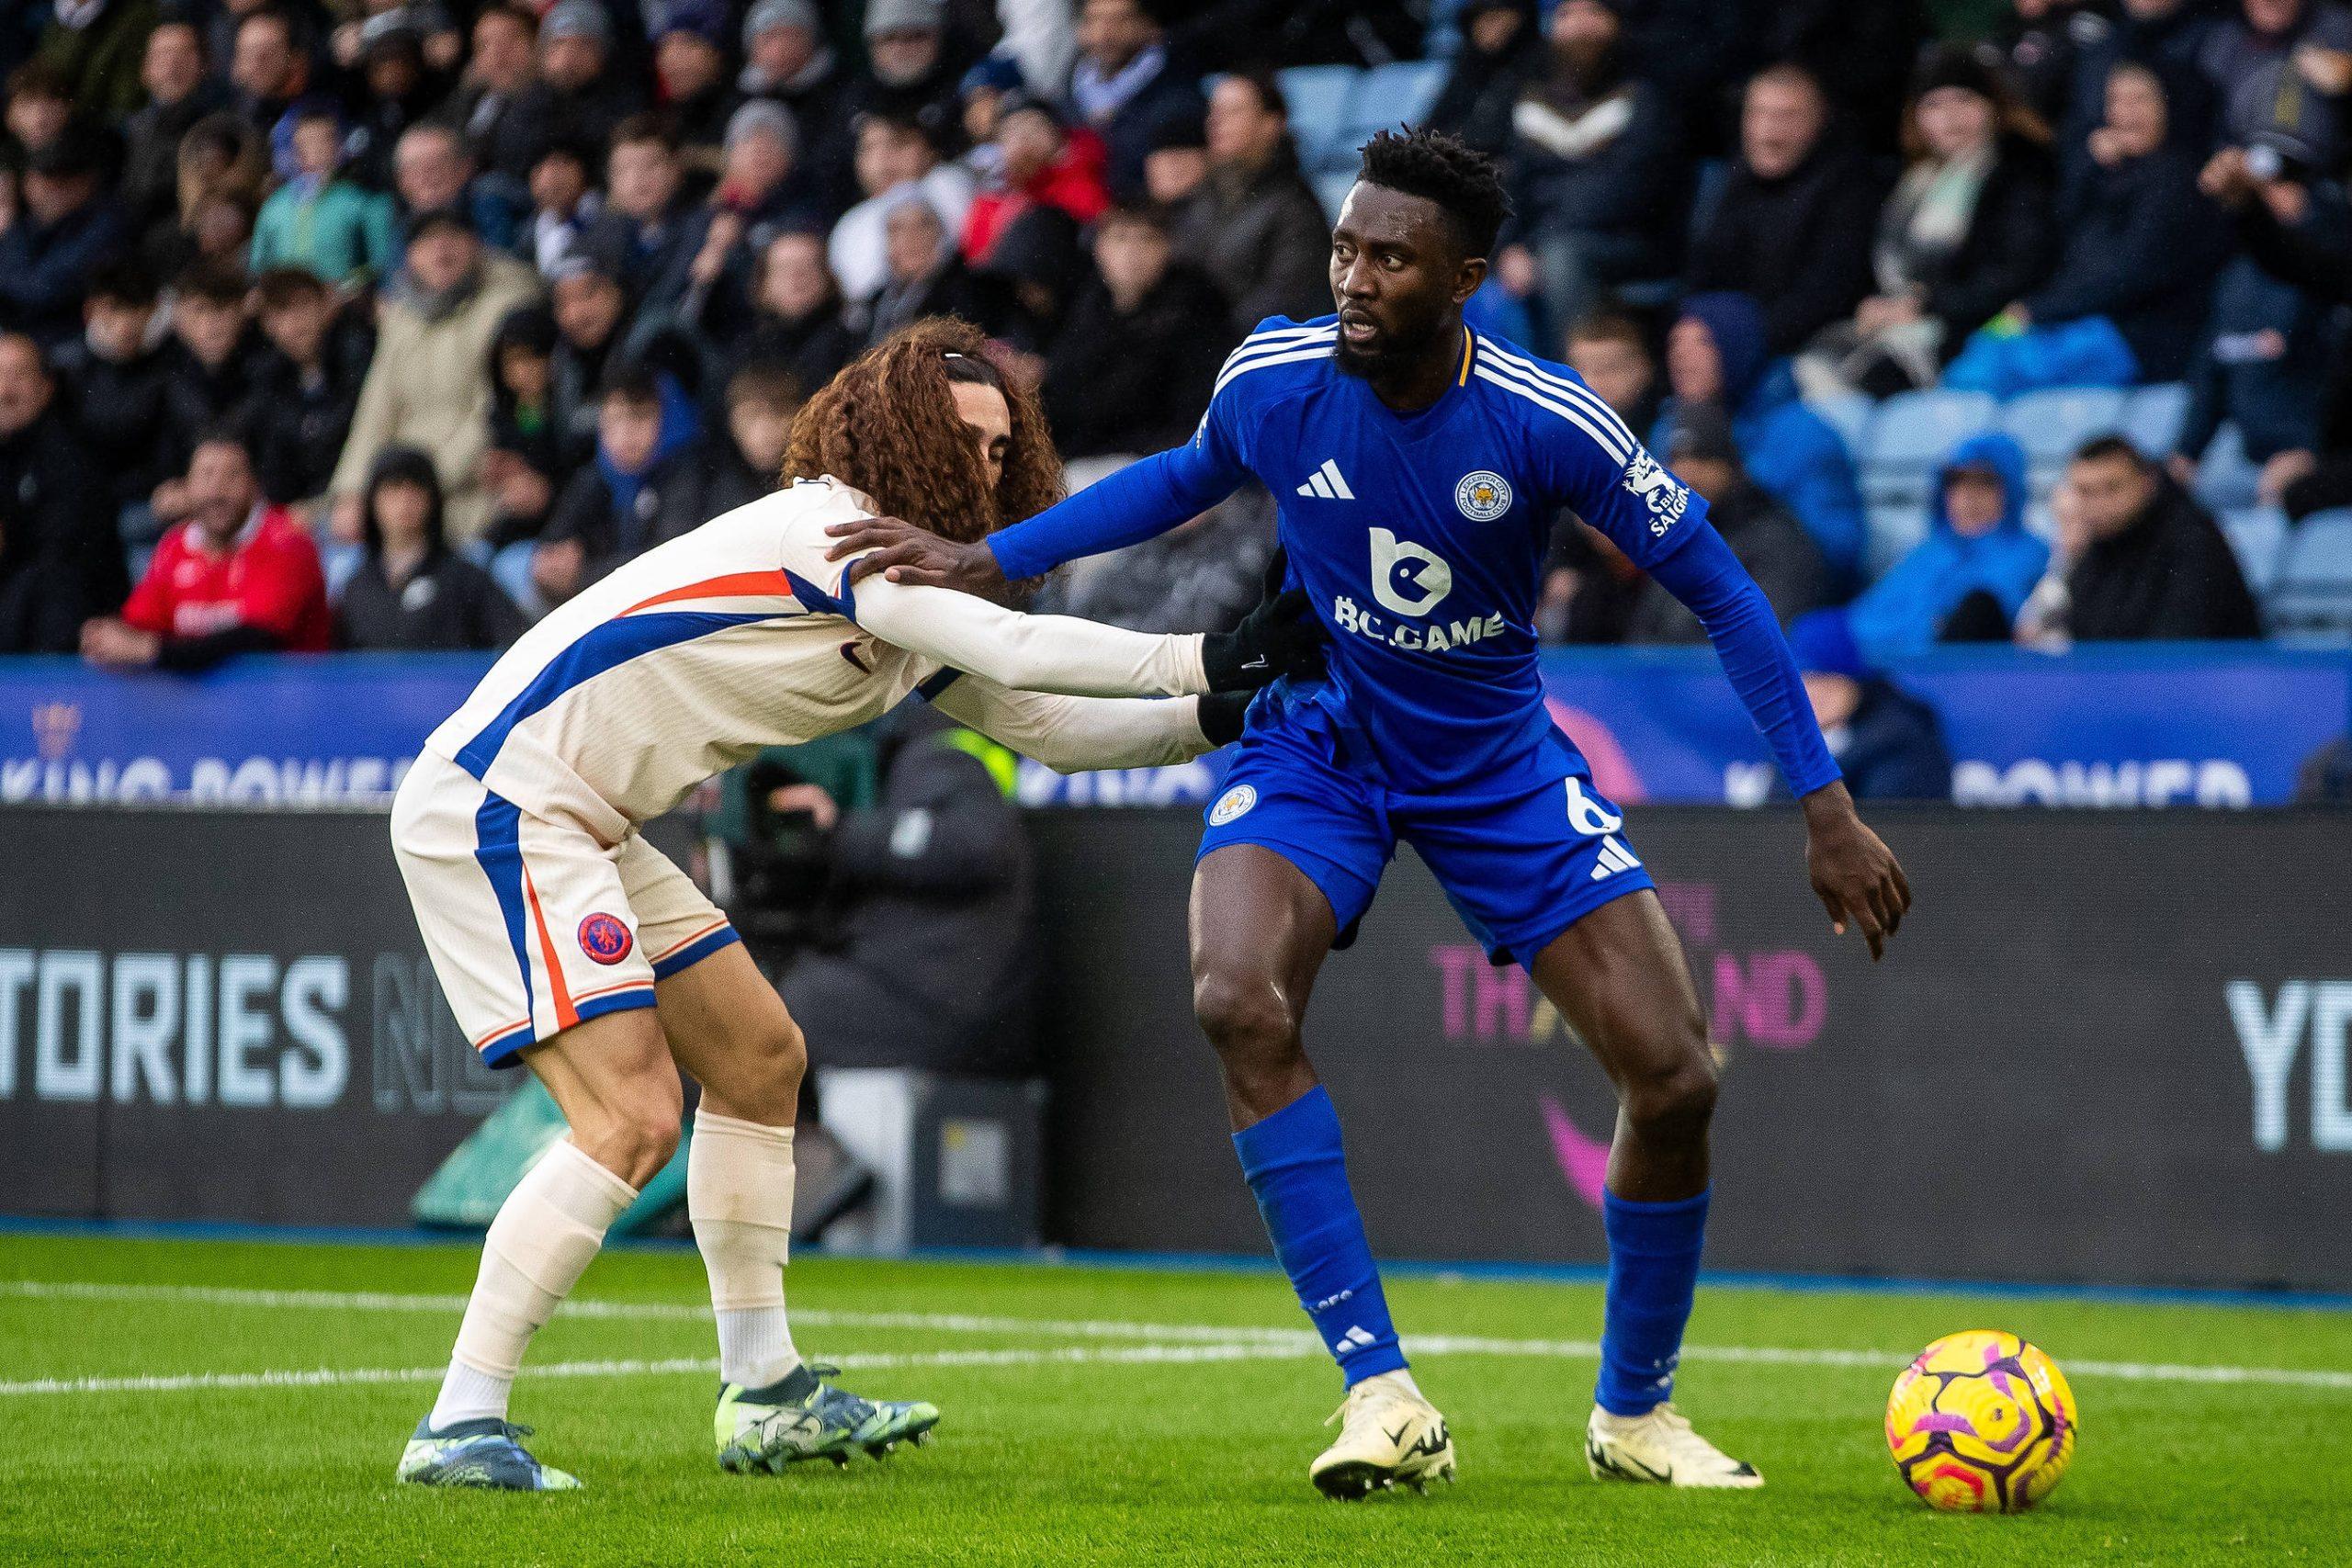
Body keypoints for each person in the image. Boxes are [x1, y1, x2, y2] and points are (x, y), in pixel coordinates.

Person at [823, 129, 1910, 1497]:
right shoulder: (1276, 376)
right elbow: (1181, 475)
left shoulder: (1547, 417)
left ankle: (1634, 1413)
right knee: (1237, 998)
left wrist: (1825, 802)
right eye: (1345, 245)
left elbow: (1725, 592)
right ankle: (1380, 1391)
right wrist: (991, 558)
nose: (1353, 275)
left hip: (1492, 758)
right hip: (1320, 734)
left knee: (1677, 1073)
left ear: (1462, 279)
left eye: (1389, 258)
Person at [386, 317, 1318, 1491]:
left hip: (587, 819)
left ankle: (765, 1392)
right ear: (896, 434)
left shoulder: (900, 596)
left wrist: (1220, 709)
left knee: (762, 1059)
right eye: (962, 437)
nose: (985, 464)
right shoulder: (836, 529)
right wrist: (1207, 654)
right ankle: (460, 1420)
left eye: (1000, 444)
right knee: (627, 1119)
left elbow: (1049, 730)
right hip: (504, 801)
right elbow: (1019, 652)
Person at [1946, 61, 2229, 394]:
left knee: (1984, 373)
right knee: (1982, 347)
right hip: (2079, 323)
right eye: (2116, 100)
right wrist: (2090, 171)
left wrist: (2036, 310)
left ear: (2169, 107)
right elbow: (2061, 244)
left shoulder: (2180, 182)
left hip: (2136, 337)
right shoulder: (2108, 175)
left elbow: (2127, 273)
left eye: (2140, 100)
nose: (2125, 112)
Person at [1798, 46, 2060, 399]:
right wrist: (1878, 305)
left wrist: (1927, 303)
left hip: (1970, 330)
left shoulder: (2019, 173)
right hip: (1902, 324)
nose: (1950, 118)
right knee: (1810, 363)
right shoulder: (1912, 185)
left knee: (1861, 381)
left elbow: (2016, 271)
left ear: (1992, 105)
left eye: (1963, 100)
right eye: (1934, 105)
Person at [329, 207, 542, 547]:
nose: (441, 248)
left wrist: (417, 486)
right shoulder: (400, 319)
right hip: (398, 501)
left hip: (474, 498)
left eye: (453, 235)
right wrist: (352, 491)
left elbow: (492, 412)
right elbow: (376, 412)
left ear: (475, 245)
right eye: (427, 240)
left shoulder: (505, 307)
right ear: (411, 255)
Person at [1492, 0, 1683, 337]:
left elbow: (1620, 197)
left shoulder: (1644, 101)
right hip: (1546, 241)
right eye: (1567, 13)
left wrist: (1533, 245)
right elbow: (1511, 187)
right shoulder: (1531, 104)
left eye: (1594, 11)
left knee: (1562, 259)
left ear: (1617, 23)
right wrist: (1508, 247)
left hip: (1627, 242)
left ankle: (1572, 384)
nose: (1580, 25)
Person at [1653, 293, 1867, 590]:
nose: (1681, 354)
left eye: (1702, 341)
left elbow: (1837, 550)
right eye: (1675, 342)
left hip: (1777, 598)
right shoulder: (1669, 431)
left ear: (1736, 345)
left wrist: (1742, 498)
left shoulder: (1803, 434)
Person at [83, 422, 332, 671]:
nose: (217, 491)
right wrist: (109, 636)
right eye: (206, 475)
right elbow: (140, 622)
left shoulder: (288, 543)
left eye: (232, 476)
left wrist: (153, 650)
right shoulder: (175, 545)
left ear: (255, 485)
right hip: (200, 706)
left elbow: (256, 640)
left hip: (288, 703)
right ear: (187, 486)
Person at [1685, 64, 1886, 357]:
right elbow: (1704, 274)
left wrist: (1742, 345)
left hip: (1802, 346)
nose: (1769, 132)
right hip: (1726, 345)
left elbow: (1827, 294)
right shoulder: (1736, 178)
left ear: (1818, 121)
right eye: (1759, 114)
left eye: (1787, 116)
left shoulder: (1848, 186)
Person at [1042, 202, 1233, 458]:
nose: (1132, 252)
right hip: (1085, 454)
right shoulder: (1088, 307)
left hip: (1157, 461)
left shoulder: (1197, 311)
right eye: (1120, 239)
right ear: (1100, 249)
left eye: (1146, 239)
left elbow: (1192, 416)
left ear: (1166, 248)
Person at [1624, 408, 1827, 643]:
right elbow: (1642, 640)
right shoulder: (1673, 538)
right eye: (1676, 459)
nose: (1687, 473)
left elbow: (1763, 637)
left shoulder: (1778, 539)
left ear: (1731, 466)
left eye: (1702, 458)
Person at [1850, 434, 2052, 666]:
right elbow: (1865, 622)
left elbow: (1982, 623)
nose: (1967, 497)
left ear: (2010, 491)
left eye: (1984, 483)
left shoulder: (2030, 555)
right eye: (1956, 482)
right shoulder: (1925, 554)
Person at [1168, 69, 1332, 333]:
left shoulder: (1296, 208)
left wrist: (1204, 339)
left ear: (1271, 123)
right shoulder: (1201, 195)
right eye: (1214, 111)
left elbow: (1285, 305)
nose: (1216, 121)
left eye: (1233, 111)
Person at [532, 365, 707, 602]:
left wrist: (583, 575)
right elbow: (552, 540)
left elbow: (668, 561)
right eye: (614, 419)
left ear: (667, 418)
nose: (625, 434)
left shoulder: (688, 471)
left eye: (640, 417)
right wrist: (554, 564)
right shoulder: (601, 473)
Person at [2061, 434, 2262, 639]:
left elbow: (2177, 643)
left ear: (2148, 483)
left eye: (2113, 488)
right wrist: (2070, 559)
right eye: (2085, 491)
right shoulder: (2097, 543)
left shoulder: (2192, 541)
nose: (2098, 504)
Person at [337, 445, 527, 650]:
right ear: (372, 502)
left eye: (417, 487)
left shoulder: (466, 580)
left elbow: (518, 643)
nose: (405, 500)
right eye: (394, 488)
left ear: (433, 499)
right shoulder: (356, 588)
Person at [0, 333, 117, 651]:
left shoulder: (69, 456)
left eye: (19, 375)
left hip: (57, 613)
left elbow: (64, 554)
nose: (5, 390)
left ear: (46, 387)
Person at [1782, 611, 1954, 803]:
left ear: (1855, 680)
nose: (1811, 693)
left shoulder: (1901, 740)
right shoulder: (1796, 739)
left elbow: (1888, 824)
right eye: (1802, 681)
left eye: (1826, 681)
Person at [249, 265, 374, 513]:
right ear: (268, 325)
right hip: (298, 511)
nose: (294, 324)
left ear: (326, 308)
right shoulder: (267, 379)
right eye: (281, 313)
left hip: (352, 505)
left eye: (302, 307)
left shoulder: (357, 356)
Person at [1061, 0, 1204, 202]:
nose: (1105, 33)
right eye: (1094, 20)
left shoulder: (1178, 97)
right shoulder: (1066, 95)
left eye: (1121, 20)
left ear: (1150, 26)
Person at [0, 125, 125, 349]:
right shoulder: (31, 222)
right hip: (23, 338)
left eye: (65, 180)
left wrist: (9, 232)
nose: (52, 189)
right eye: (44, 178)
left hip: (70, 341)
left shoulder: (107, 224)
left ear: (89, 180)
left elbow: (41, 289)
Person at [250, 100, 400, 287]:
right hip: (287, 304)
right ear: (295, 149)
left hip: (344, 304)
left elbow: (382, 264)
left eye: (326, 140)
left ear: (340, 145)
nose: (316, 150)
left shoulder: (363, 202)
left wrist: (345, 288)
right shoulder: (275, 204)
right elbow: (258, 266)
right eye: (305, 143)